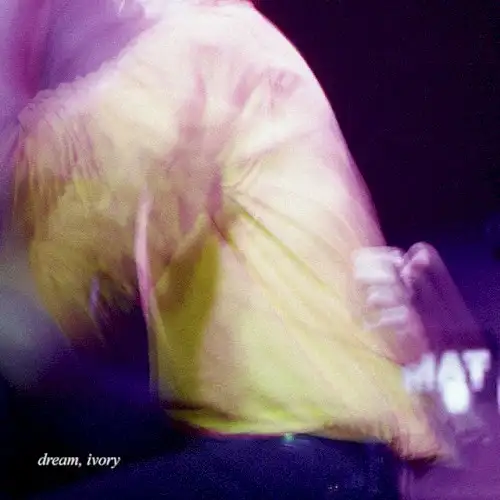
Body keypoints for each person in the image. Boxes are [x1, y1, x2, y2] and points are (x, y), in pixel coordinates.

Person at [0, 0, 446, 498]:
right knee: (66, 441)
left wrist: (13, 65)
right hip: (318, 445)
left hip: (301, 452)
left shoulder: (201, 45)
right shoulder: (235, 44)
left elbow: (88, 201)